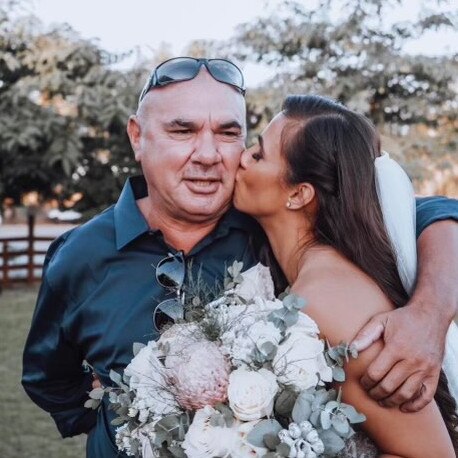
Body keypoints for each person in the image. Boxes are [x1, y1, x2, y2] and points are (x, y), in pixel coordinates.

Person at [22, 58, 458, 457]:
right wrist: (112, 420)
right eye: (183, 130)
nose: (210, 155)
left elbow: (427, 213)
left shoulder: (272, 221)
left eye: (230, 134)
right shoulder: (78, 256)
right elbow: (50, 381)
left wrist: (429, 313)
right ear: (138, 137)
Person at [234, 94, 458, 456]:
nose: (240, 159)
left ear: (298, 193)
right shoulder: (307, 278)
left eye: (258, 155)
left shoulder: (332, 300)